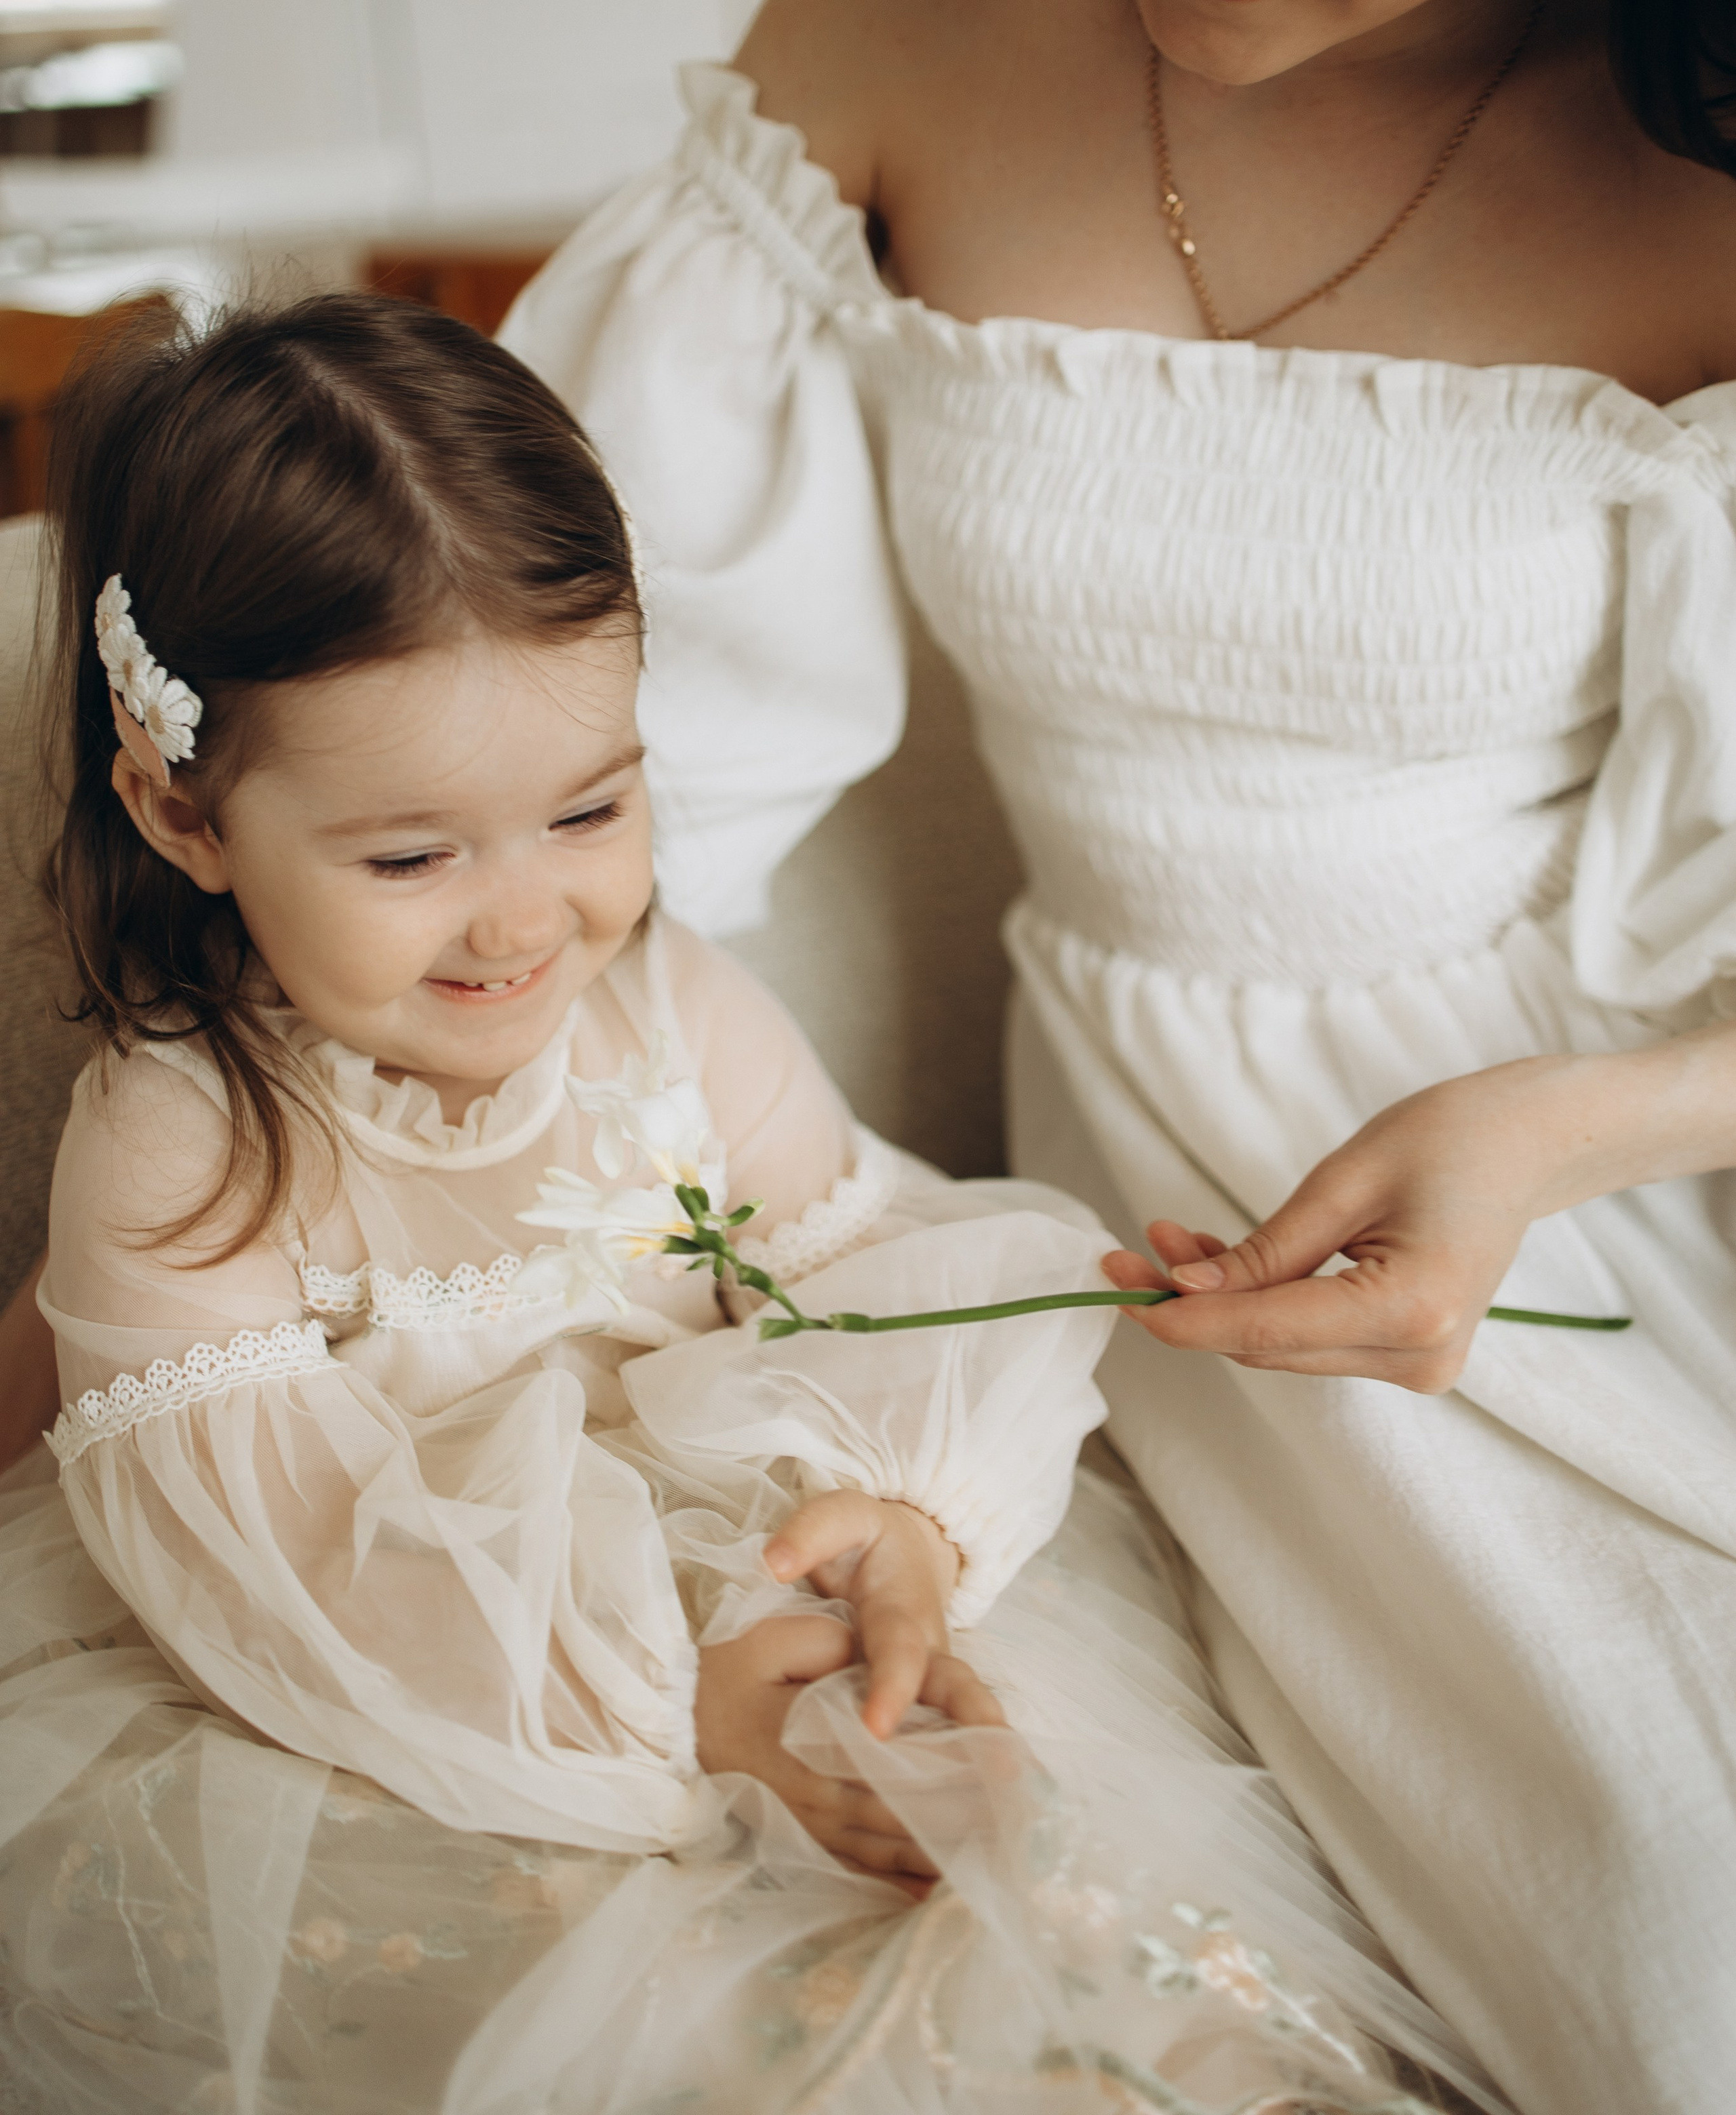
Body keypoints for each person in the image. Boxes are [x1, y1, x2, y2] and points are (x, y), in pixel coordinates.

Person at [491, 0, 1736, 2110]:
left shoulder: (1707, 116)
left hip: (1604, 1181)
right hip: (1126, 1205)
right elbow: (622, 722)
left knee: (1655, 1923)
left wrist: (1587, 1117)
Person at [0, 291, 1492, 2115]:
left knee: (1069, 1901)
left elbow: (859, 1272)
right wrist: (682, 1707)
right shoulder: (183, 1149)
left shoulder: (674, 1011)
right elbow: (303, 1583)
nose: (523, 919)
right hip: (399, 1706)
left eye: (589, 810)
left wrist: (895, 1520)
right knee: (685, 2014)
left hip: (758, 1576)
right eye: (411, 857)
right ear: (184, 813)